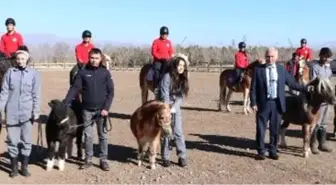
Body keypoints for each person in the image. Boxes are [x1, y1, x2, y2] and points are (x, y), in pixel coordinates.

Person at [250, 47, 311, 160]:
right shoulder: (258, 70)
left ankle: (273, 150)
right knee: (261, 128)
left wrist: (306, 88)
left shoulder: (281, 70)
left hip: (277, 104)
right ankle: (261, 151)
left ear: (276, 57)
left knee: (275, 128)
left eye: (272, 56)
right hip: (263, 103)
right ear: (265, 57)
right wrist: (253, 102)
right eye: (268, 56)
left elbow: (292, 84)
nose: (270, 59)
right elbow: (253, 88)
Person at [63, 48, 114, 171]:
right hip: (87, 110)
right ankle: (88, 159)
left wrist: (106, 108)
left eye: (96, 58)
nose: (94, 60)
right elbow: (75, 88)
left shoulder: (105, 73)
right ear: (88, 58)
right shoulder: (83, 72)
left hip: (102, 111)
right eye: (92, 58)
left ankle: (103, 160)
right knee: (88, 136)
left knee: (103, 136)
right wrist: (65, 102)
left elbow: (111, 92)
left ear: (100, 59)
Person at [0, 49, 41, 177]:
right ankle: (14, 168)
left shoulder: (34, 74)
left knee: (26, 141)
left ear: (27, 59)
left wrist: (36, 111)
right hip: (12, 113)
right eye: (18, 59)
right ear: (15, 60)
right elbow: (4, 93)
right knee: (12, 141)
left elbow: (36, 94)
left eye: (23, 59)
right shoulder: (10, 73)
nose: (20, 61)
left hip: (27, 114)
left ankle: (24, 167)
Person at [158, 57, 189, 168]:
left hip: (175, 107)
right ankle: (165, 157)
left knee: (178, 132)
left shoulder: (183, 79)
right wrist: (167, 110)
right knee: (166, 132)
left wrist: (174, 108)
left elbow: (181, 96)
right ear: (175, 66)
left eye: (183, 66)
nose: (181, 68)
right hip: (164, 105)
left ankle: (182, 156)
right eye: (179, 65)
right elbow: (164, 94)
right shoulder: (167, 77)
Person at [309, 47, 333, 154]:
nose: (326, 59)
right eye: (324, 56)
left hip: (326, 101)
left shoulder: (328, 70)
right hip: (317, 101)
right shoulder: (315, 68)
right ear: (320, 55)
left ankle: (322, 143)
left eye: (328, 57)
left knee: (324, 122)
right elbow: (313, 83)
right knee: (316, 123)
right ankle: (313, 144)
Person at [151, 26, 174, 94]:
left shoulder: (169, 42)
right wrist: (161, 58)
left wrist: (171, 55)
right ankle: (156, 87)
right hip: (158, 61)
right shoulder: (156, 41)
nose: (164, 35)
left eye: (166, 34)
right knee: (157, 72)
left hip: (167, 61)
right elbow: (153, 52)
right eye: (163, 34)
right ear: (160, 34)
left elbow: (170, 51)